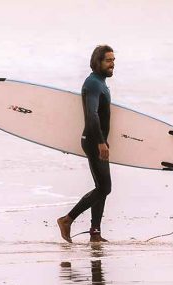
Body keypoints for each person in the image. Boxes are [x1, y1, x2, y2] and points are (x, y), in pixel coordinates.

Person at [58, 45, 114, 243]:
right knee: (104, 188)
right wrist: (100, 143)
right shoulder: (92, 84)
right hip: (93, 141)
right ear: (97, 62)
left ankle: (95, 233)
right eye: (108, 60)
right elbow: (92, 116)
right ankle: (67, 220)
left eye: (113, 60)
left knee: (102, 186)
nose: (112, 64)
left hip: (98, 141)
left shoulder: (100, 83)